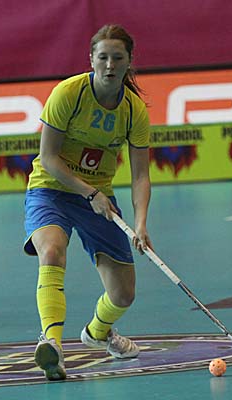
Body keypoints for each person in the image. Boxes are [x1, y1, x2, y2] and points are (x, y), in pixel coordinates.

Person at [23, 24, 153, 381]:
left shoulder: (134, 111)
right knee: (52, 251)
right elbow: (49, 158)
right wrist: (89, 193)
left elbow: (140, 176)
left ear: (129, 61)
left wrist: (141, 223)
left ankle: (98, 332)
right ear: (91, 60)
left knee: (123, 295)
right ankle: (51, 343)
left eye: (118, 58)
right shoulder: (69, 93)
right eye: (103, 57)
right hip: (52, 189)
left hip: (99, 198)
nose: (110, 65)